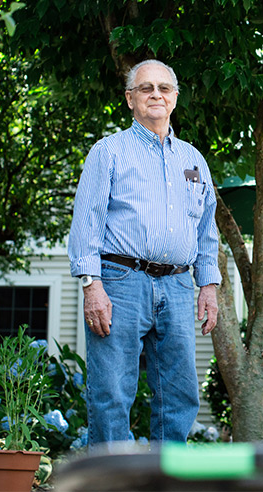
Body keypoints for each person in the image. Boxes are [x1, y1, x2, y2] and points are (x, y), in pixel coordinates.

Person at [68, 59, 221, 446]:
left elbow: (206, 229)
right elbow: (87, 221)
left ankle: (164, 480)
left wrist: (209, 285)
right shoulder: (109, 152)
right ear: (130, 99)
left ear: (174, 99)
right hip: (120, 282)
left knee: (180, 393)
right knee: (112, 393)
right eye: (146, 88)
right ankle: (112, 483)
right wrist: (91, 286)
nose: (156, 94)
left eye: (164, 88)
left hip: (177, 285)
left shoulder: (194, 160)